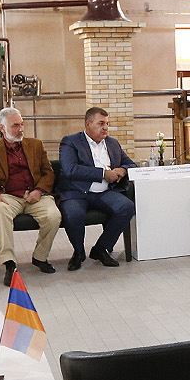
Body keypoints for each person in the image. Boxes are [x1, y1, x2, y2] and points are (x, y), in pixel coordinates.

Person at [0, 107, 62, 285]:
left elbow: (48, 172)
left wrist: (39, 190)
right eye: (15, 126)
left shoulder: (35, 145)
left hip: (35, 195)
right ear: (2, 128)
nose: (21, 129)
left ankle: (40, 257)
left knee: (53, 215)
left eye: (22, 125)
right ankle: (9, 263)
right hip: (9, 195)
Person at [57, 107, 136, 270]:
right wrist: (103, 173)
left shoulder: (112, 143)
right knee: (73, 213)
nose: (105, 128)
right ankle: (78, 252)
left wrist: (123, 170)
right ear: (88, 124)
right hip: (77, 192)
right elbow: (70, 169)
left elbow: (130, 163)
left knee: (127, 207)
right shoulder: (71, 142)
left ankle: (101, 248)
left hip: (104, 192)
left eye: (107, 124)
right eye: (101, 124)